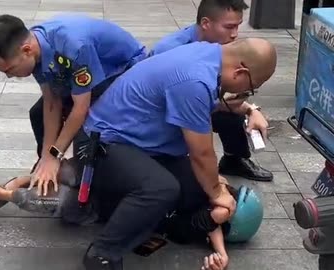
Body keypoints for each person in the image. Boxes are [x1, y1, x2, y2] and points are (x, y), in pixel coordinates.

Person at [79, 37, 276, 270]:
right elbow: (202, 153)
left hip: (141, 145)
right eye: (252, 87)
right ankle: (102, 252)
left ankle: (147, 219)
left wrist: (250, 109)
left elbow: (212, 105)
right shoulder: (195, 79)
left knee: (196, 186)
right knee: (161, 188)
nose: (248, 92)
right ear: (240, 72)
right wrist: (217, 191)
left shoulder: (208, 56)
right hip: (102, 144)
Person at [0, 160, 264, 270]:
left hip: (107, 178)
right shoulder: (194, 209)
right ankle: (7, 191)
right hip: (105, 197)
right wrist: (220, 234)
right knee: (64, 199)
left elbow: (209, 226)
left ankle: (12, 186)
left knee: (64, 184)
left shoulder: (200, 205)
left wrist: (221, 250)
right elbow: (208, 224)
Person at [0, 14, 147, 197]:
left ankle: (74, 181)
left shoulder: (73, 46)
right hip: (91, 72)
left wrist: (54, 154)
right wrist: (47, 155)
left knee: (86, 132)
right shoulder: (35, 48)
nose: (9, 76)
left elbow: (81, 108)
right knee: (37, 114)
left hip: (124, 73)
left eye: (9, 69)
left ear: (27, 50)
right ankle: (44, 173)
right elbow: (51, 103)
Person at [149, 0, 273, 182]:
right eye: (229, 27)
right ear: (206, 23)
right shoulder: (172, 50)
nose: (234, 35)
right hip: (159, 117)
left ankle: (234, 159)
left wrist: (251, 110)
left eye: (238, 26)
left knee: (232, 103)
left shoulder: (219, 46)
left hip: (190, 103)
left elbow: (219, 95)